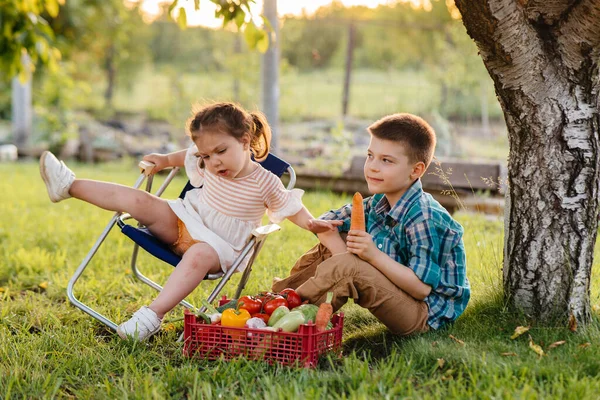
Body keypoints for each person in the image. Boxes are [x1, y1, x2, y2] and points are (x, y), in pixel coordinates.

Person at [39, 102, 340, 341]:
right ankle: (68, 186)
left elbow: (291, 207)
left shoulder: (266, 181)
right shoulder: (206, 158)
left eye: (221, 152)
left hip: (219, 248)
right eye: (206, 156)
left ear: (245, 141)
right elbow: (187, 153)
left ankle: (150, 317)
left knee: (198, 254)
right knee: (141, 200)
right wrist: (164, 159)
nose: (213, 162)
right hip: (184, 219)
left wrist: (312, 223)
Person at [272, 113, 470, 335]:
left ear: (416, 170)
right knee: (339, 238)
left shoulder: (424, 217)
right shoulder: (377, 203)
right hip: (403, 295)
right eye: (370, 156)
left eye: (386, 160)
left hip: (424, 315)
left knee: (349, 267)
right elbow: (328, 222)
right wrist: (333, 240)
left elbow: (421, 288)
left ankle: (286, 327)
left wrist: (372, 255)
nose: (373, 167)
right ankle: (278, 301)